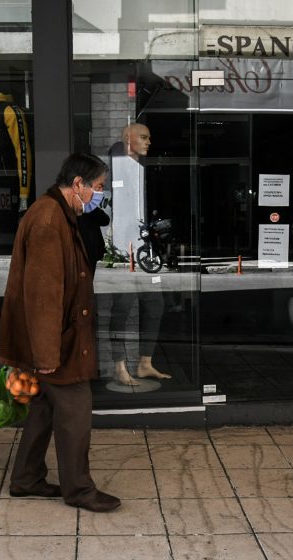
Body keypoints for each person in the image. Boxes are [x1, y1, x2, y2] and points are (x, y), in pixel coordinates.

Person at [0, 153, 121, 513]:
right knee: (75, 414)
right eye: (98, 187)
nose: (100, 194)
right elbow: (43, 295)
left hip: (57, 338)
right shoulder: (50, 220)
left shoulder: (58, 213)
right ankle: (79, 490)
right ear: (78, 184)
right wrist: (47, 355)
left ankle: (27, 478)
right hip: (58, 344)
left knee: (44, 411)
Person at [107, 123, 171, 386]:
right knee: (121, 308)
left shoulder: (145, 169)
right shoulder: (112, 165)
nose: (149, 142)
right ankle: (119, 367)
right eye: (143, 137)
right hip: (122, 252)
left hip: (146, 252)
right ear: (127, 138)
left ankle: (145, 363)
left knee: (155, 305)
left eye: (149, 137)